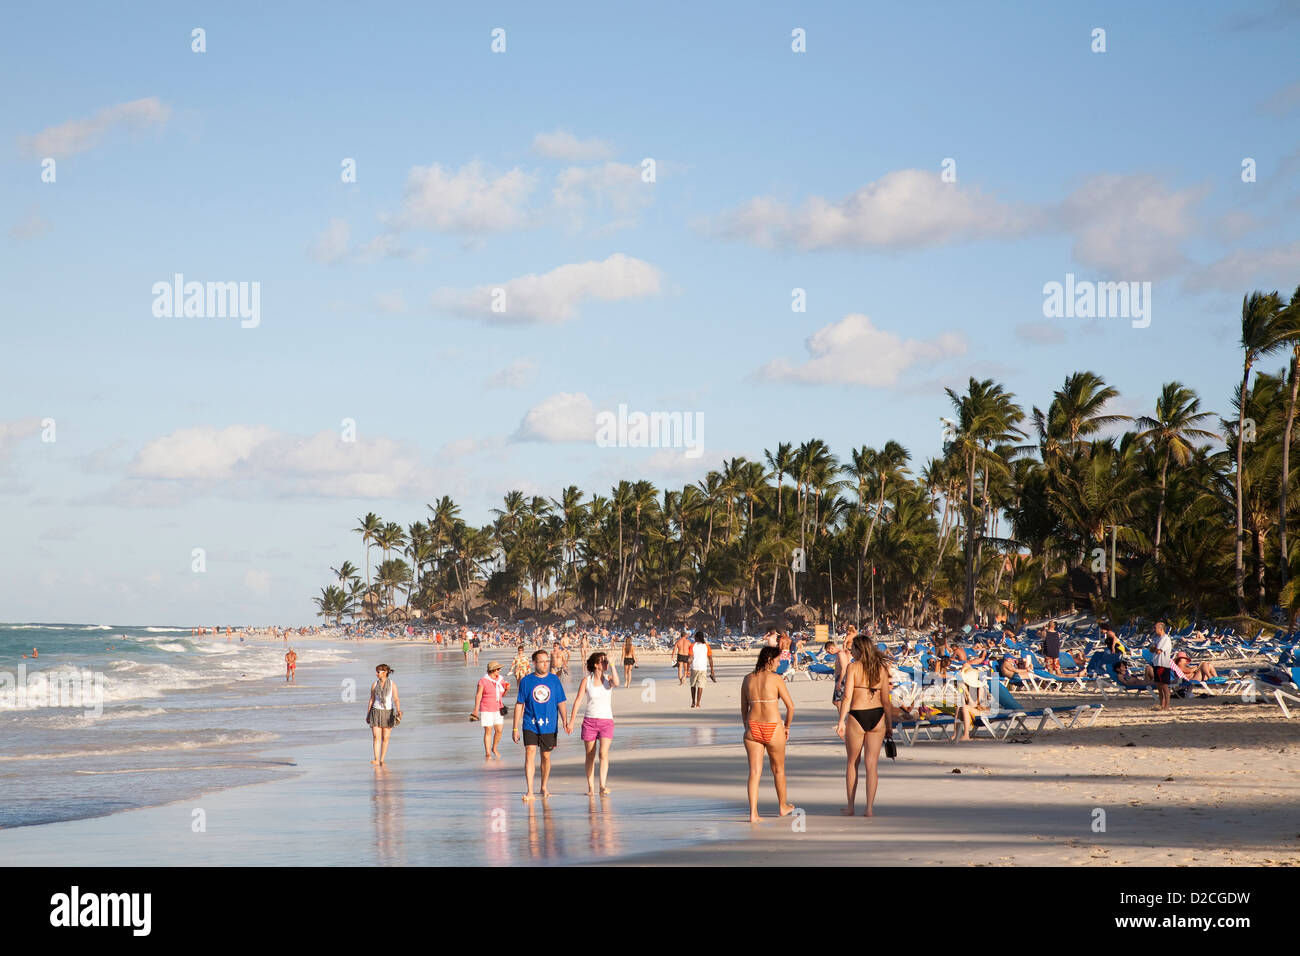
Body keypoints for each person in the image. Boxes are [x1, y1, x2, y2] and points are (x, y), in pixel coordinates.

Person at [835, 634, 893, 815]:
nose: (850, 652)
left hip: (857, 715)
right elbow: (886, 700)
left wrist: (841, 721)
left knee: (852, 762)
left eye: (853, 649)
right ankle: (869, 809)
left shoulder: (853, 667)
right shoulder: (882, 669)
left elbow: (847, 697)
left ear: (860, 650)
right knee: (871, 765)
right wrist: (889, 725)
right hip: (877, 716)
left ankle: (851, 807)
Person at [740, 646, 796, 823]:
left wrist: (746, 725)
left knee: (754, 772)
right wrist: (787, 726)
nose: (779, 663)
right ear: (769, 659)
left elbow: (743, 708)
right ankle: (782, 806)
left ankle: (753, 813)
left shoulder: (747, 679)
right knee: (778, 770)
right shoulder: (776, 679)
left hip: (753, 727)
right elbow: (790, 707)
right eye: (778, 660)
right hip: (773, 727)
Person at [512, 650, 569, 802]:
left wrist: (565, 721)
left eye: (546, 661)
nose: (545, 664)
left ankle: (543, 786)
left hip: (549, 725)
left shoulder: (554, 680)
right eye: (542, 661)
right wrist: (515, 728)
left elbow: (561, 701)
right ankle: (530, 790)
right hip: (530, 723)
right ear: (534, 663)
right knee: (530, 752)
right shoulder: (526, 681)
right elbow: (519, 705)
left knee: (545, 756)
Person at [566, 652, 620, 794]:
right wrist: (571, 721)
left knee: (603, 754)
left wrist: (613, 664)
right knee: (590, 754)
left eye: (606, 662)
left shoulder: (609, 679)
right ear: (596, 665)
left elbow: (618, 683)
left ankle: (602, 785)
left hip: (606, 721)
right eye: (604, 662)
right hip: (589, 721)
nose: (606, 664)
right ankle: (591, 787)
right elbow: (578, 701)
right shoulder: (586, 681)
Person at [472, 661, 509, 759]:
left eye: (499, 669)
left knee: (499, 731)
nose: (499, 671)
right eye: (497, 669)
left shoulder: (501, 680)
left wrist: (506, 689)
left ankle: (494, 748)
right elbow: (479, 695)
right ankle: (488, 752)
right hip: (486, 708)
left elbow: (502, 695)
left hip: (498, 708)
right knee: (488, 730)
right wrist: (476, 710)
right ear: (492, 670)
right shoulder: (483, 680)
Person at [366, 664, 401, 765]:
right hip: (376, 711)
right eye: (376, 671)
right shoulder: (374, 684)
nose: (376, 673)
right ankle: (376, 759)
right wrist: (368, 714)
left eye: (378, 672)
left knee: (385, 738)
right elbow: (372, 699)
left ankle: (382, 759)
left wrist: (398, 711)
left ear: (385, 672)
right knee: (376, 737)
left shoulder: (392, 684)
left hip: (388, 713)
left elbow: (396, 698)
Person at [1151, 621, 1174, 710]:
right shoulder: (1157, 638)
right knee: (1159, 686)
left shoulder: (1165, 639)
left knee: (1164, 686)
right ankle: (1161, 704)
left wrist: (1154, 648)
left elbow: (1159, 650)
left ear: (1161, 629)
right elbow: (1151, 649)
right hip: (1156, 663)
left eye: (1155, 628)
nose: (1154, 629)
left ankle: (1167, 706)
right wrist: (1154, 648)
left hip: (1163, 664)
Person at [689, 631, 714, 708]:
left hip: (694, 667)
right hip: (703, 668)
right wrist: (712, 670)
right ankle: (698, 703)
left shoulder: (692, 646)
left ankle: (693, 702)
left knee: (693, 685)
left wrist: (686, 669)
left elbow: (690, 658)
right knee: (701, 685)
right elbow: (710, 659)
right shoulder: (707, 646)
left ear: (696, 637)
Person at [828, 638, 851, 707]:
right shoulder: (839, 654)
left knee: (838, 701)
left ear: (831, 648)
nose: (829, 653)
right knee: (836, 701)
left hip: (842, 678)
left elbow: (844, 669)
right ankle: (844, 715)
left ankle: (843, 717)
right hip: (839, 678)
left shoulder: (841, 654)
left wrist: (839, 682)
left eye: (828, 651)